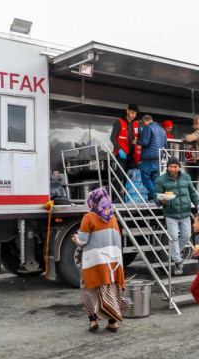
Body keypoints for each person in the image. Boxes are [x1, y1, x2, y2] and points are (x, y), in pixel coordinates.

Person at [72, 188, 130, 333]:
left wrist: (75, 239)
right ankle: (112, 323)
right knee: (111, 290)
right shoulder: (112, 217)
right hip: (113, 262)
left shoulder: (89, 217)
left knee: (89, 289)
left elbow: (83, 240)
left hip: (95, 262)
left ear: (92, 201)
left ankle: (93, 322)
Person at [154, 157, 199, 275]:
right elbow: (157, 199)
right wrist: (162, 201)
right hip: (171, 213)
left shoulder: (186, 177)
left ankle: (173, 254)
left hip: (185, 213)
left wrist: (198, 203)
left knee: (186, 236)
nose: (173, 169)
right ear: (167, 167)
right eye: (171, 166)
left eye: (175, 166)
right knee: (173, 236)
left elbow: (192, 192)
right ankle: (177, 261)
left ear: (179, 167)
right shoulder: (161, 180)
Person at [110, 104, 141, 200]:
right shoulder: (119, 122)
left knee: (130, 177)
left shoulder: (136, 124)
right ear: (127, 111)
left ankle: (127, 198)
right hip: (121, 154)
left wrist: (138, 140)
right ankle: (115, 198)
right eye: (132, 112)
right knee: (119, 176)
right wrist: (119, 149)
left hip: (132, 155)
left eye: (135, 113)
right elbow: (112, 137)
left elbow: (140, 136)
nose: (133, 115)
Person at [137, 115, 167, 201]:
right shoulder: (162, 130)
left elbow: (145, 142)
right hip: (158, 158)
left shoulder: (147, 128)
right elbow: (165, 145)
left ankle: (156, 196)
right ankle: (152, 199)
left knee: (145, 178)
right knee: (153, 178)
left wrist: (137, 141)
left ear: (144, 121)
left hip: (148, 158)